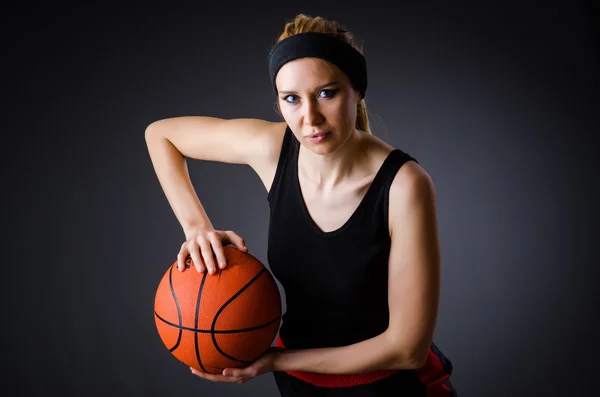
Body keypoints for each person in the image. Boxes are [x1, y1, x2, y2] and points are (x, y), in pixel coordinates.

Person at [145, 13, 458, 397]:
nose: (309, 118)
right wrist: (197, 228)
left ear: (356, 90)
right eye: (291, 99)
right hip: (299, 388)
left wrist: (276, 360)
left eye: (327, 93)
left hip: (386, 388)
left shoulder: (405, 185)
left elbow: (407, 349)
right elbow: (161, 135)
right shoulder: (273, 149)